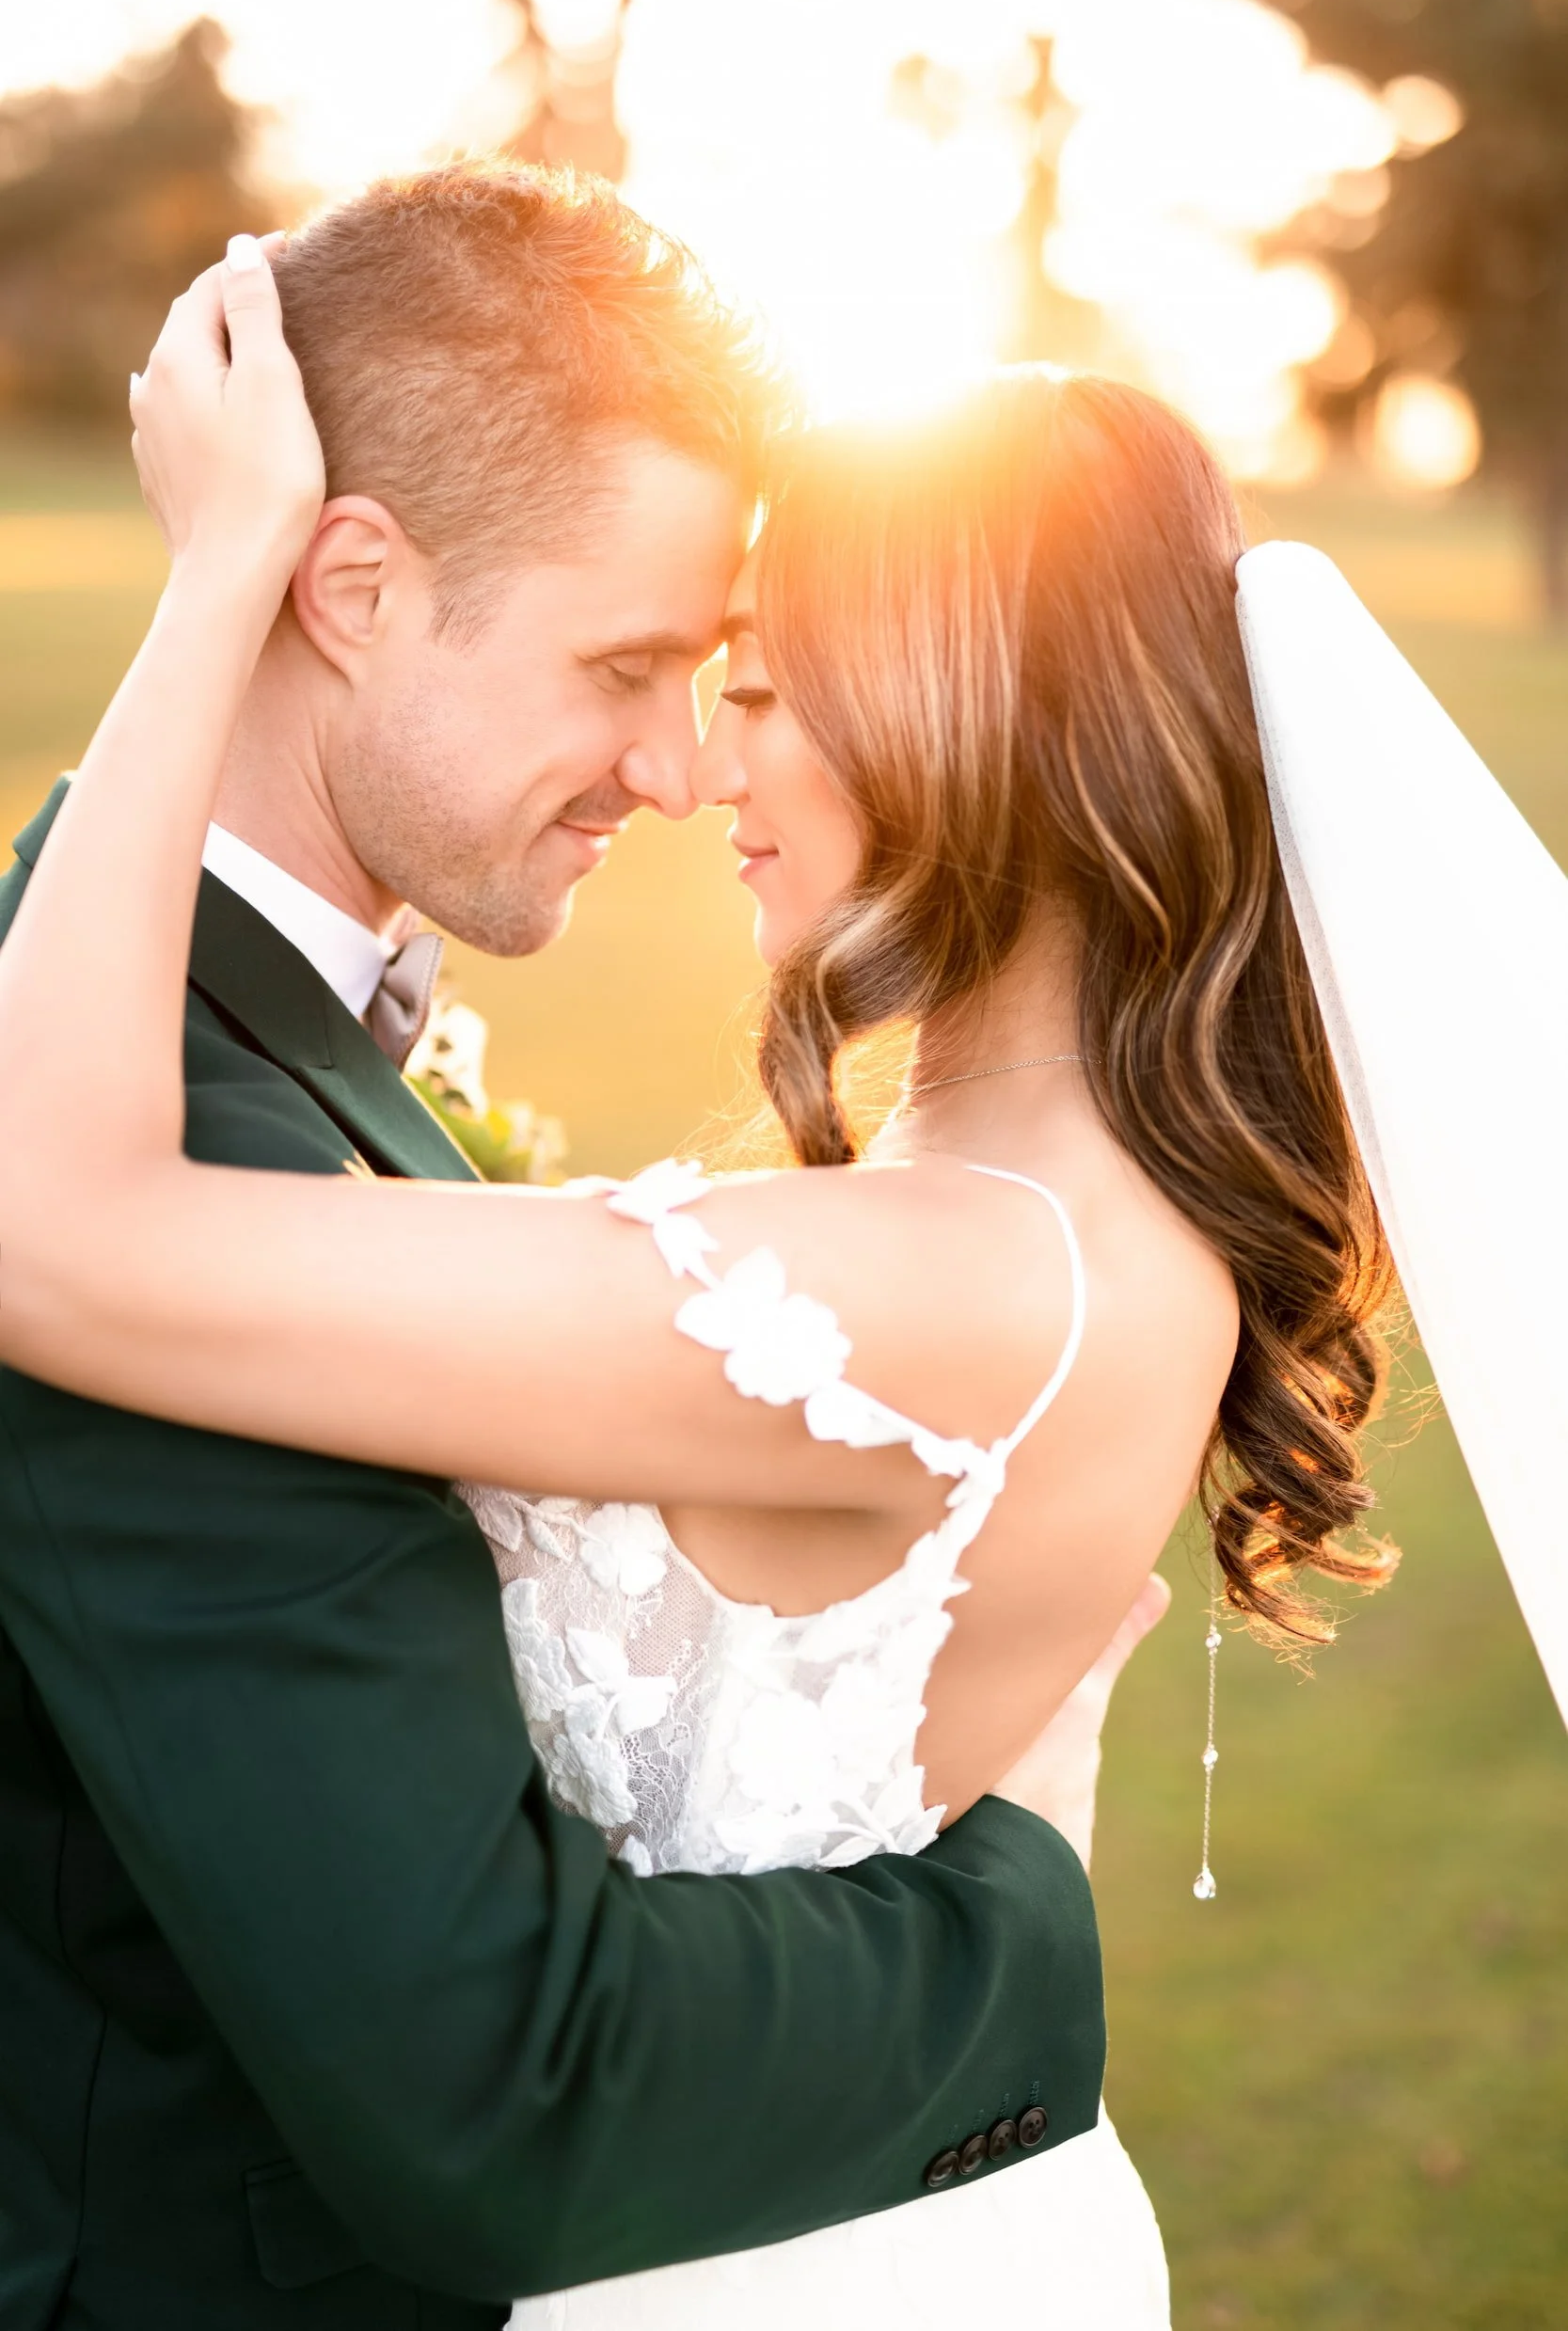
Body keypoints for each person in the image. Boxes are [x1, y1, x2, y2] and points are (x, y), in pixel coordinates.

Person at [0, 223, 1406, 2327]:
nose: (693, 770)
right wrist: (1012, 1884)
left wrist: (215, 577)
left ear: (956, 713)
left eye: (746, 683)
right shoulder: (1030, 1231)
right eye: (655, 672)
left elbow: (56, 1227)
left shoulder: (930, 1279)